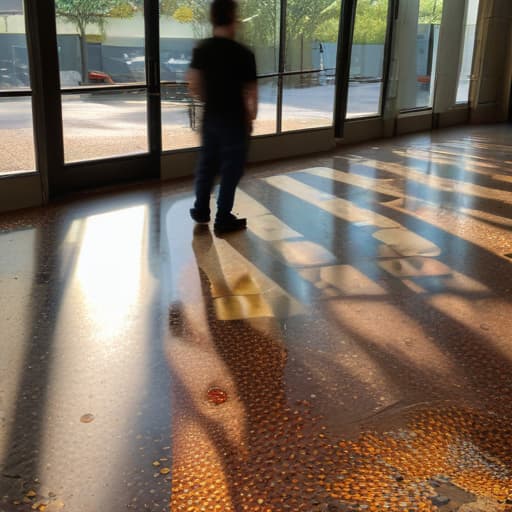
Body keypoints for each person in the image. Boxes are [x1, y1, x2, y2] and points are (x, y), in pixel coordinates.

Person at [187, 0, 258, 234]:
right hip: (235, 121)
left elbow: (193, 84)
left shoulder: (202, 49)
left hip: (211, 117)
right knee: (231, 170)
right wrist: (250, 119)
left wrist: (210, 100)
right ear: (232, 17)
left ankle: (201, 209)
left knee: (206, 165)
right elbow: (251, 95)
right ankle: (223, 217)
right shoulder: (244, 53)